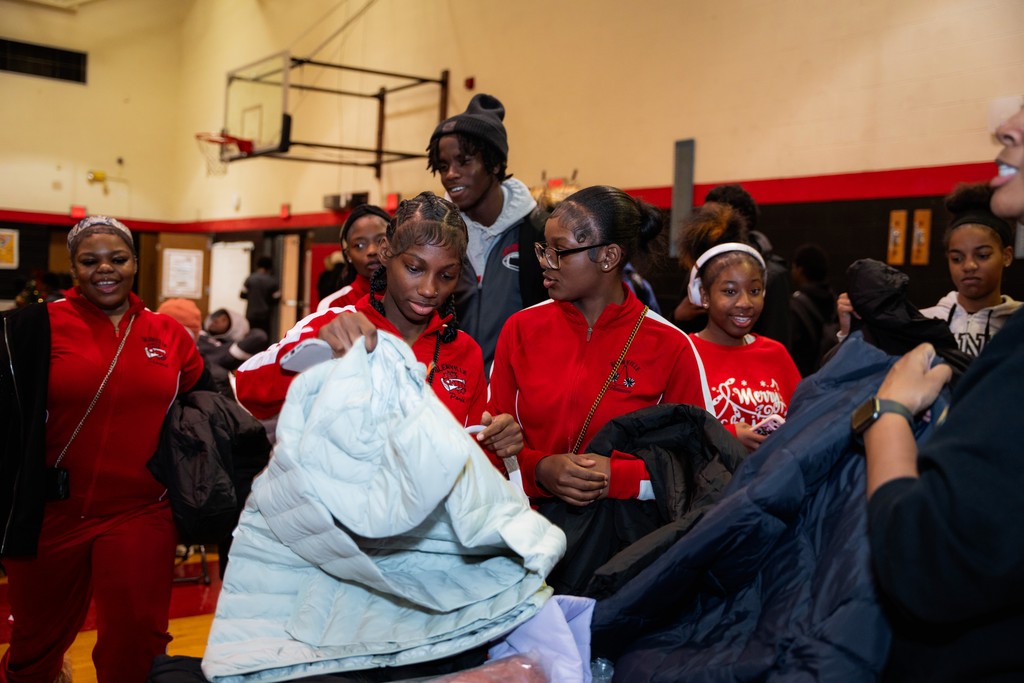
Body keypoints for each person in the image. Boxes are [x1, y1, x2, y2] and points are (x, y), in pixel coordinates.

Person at [0, 215, 206, 683]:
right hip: (50, 512)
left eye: (118, 258)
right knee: (35, 644)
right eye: (89, 261)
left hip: (142, 511)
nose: (105, 269)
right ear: (74, 268)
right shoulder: (34, 327)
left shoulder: (168, 334)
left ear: (135, 262)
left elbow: (207, 406)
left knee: (137, 643)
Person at [858, 102, 1024, 680]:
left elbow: (925, 555)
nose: (1006, 127)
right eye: (957, 258)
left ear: (1006, 255)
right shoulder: (929, 325)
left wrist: (888, 413)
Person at [236, 192, 522, 466]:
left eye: (447, 275)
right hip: (334, 510)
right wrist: (318, 346)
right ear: (386, 253)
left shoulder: (464, 351)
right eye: (414, 268)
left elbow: (470, 462)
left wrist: (497, 446)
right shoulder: (336, 324)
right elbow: (247, 387)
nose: (429, 289)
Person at [487, 185, 710, 506]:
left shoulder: (671, 346)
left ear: (608, 257)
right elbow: (490, 440)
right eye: (543, 249)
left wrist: (616, 477)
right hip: (529, 532)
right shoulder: (520, 329)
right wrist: (539, 469)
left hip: (627, 542)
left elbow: (697, 462)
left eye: (558, 251)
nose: (545, 262)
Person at [426, 93, 548, 367]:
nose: (451, 174)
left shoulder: (538, 232)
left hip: (517, 397)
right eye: (443, 166)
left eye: (464, 161)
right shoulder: (436, 234)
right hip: (452, 391)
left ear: (494, 163)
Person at [680, 205, 801, 452]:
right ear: (703, 295)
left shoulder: (775, 353)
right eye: (730, 291)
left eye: (754, 291)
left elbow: (804, 422)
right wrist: (724, 436)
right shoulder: (683, 354)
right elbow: (669, 437)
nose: (745, 303)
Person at [673, 184, 792, 345]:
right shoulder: (698, 272)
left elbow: (777, 336)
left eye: (712, 217)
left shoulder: (772, 275)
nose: (702, 223)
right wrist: (677, 318)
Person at [917, 182, 1020, 356]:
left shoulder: (1018, 323)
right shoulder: (922, 322)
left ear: (1006, 256)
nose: (968, 266)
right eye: (957, 258)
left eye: (982, 255)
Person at [316, 203, 390, 312]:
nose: (372, 251)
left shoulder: (416, 298)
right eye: (359, 245)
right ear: (348, 255)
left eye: (380, 241)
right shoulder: (333, 306)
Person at [788, 243, 839, 375]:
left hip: (803, 377)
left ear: (800, 270)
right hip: (828, 374)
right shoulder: (836, 300)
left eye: (793, 267)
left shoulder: (796, 304)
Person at [240, 255, 280, 336]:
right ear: (270, 267)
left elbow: (242, 295)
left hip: (251, 314)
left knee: (250, 337)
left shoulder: (250, 279)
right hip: (264, 316)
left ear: (257, 265)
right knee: (263, 338)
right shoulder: (273, 281)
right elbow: (276, 299)